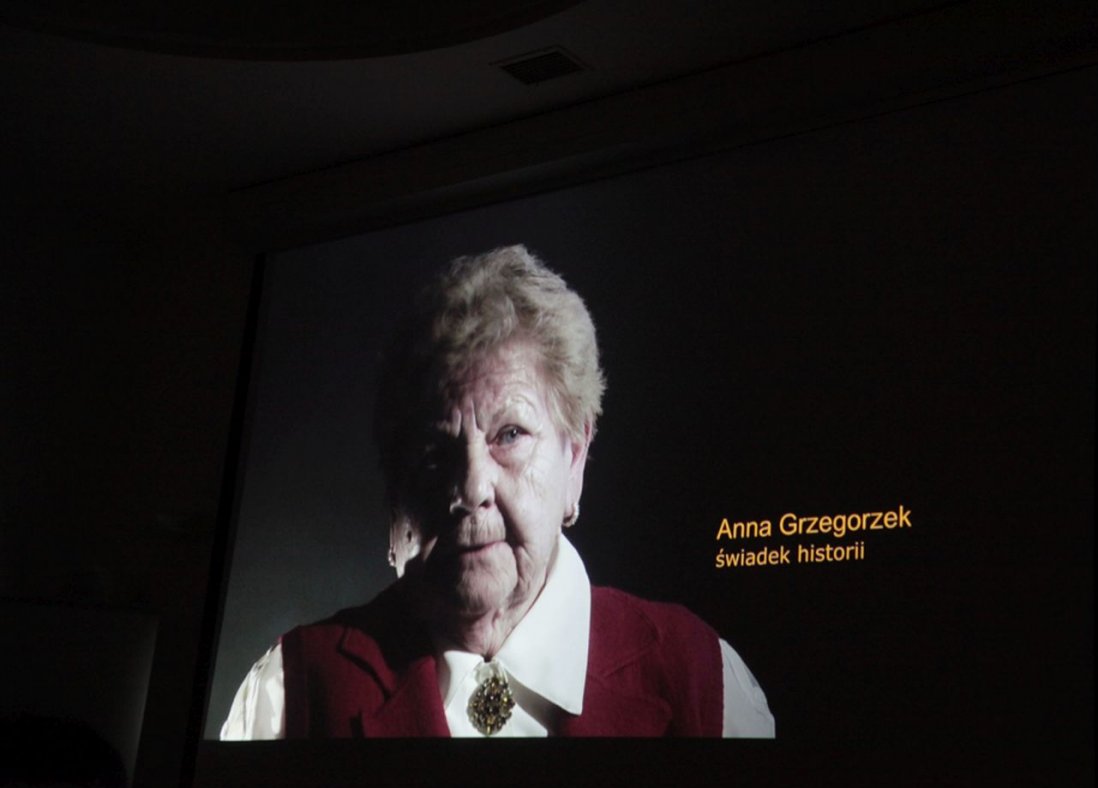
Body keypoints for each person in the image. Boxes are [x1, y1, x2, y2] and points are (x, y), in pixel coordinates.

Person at [221, 245, 773, 738]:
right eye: (435, 451)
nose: (471, 487)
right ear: (398, 489)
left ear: (575, 457)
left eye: (510, 435)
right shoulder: (291, 690)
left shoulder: (701, 680)